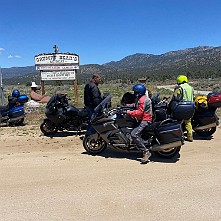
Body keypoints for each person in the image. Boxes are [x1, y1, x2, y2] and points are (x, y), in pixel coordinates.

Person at [125, 84, 153, 163]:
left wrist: (129, 112)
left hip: (145, 120)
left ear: (138, 92)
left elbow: (140, 112)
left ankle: (146, 152)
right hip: (142, 119)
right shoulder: (141, 98)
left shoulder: (143, 100)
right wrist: (126, 106)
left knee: (134, 134)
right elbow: (137, 106)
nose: (134, 93)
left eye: (135, 91)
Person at [172, 75, 194, 142]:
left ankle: (179, 137)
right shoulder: (191, 87)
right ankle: (190, 137)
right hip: (191, 107)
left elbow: (175, 97)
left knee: (178, 122)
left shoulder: (179, 88)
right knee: (188, 122)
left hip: (182, 107)